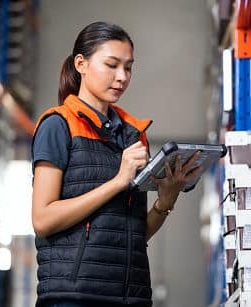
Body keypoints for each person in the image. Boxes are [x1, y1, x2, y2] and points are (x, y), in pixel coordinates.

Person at [31, 22, 201, 307]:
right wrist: (117, 182)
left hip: (131, 298)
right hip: (74, 298)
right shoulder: (58, 126)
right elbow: (43, 220)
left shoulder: (134, 135)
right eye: (111, 65)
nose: (121, 77)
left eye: (128, 67)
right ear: (81, 64)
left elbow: (134, 235)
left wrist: (165, 201)